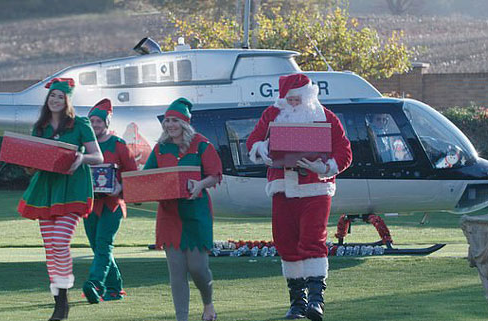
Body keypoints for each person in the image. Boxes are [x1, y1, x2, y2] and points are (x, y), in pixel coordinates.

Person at [246, 73, 352, 321]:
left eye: (297, 99)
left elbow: (344, 153)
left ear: (308, 96)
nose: (293, 104)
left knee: (312, 240)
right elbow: (253, 141)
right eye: (289, 100)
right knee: (285, 242)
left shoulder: (326, 117)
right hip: (282, 188)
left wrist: (324, 168)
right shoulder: (272, 114)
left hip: (315, 189)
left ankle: (316, 300)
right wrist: (264, 151)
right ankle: (297, 303)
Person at [17, 78, 103, 321]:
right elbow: (34, 164)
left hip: (72, 188)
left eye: (60, 97)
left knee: (59, 241)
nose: (55, 100)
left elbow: (97, 156)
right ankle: (59, 301)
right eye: (52, 96)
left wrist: (80, 158)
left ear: (67, 101)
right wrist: (27, 163)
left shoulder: (80, 124)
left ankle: (63, 296)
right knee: (50, 247)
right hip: (46, 190)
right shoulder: (40, 127)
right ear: (48, 99)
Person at [143, 97, 222, 321]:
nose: (170, 125)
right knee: (176, 272)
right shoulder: (159, 148)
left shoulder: (202, 144)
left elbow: (214, 174)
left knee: (198, 268)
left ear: (185, 123)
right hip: (169, 215)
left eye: (174, 120)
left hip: (196, 213)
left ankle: (208, 305)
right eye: (167, 121)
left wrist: (200, 185)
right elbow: (147, 177)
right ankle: (182, 318)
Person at [82, 98, 138, 303]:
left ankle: (94, 284)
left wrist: (120, 187)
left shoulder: (119, 145)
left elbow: (133, 175)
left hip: (112, 205)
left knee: (104, 244)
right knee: (98, 248)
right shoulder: (84, 146)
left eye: (99, 121)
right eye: (92, 121)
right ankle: (114, 289)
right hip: (89, 205)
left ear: (107, 123)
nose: (95, 124)